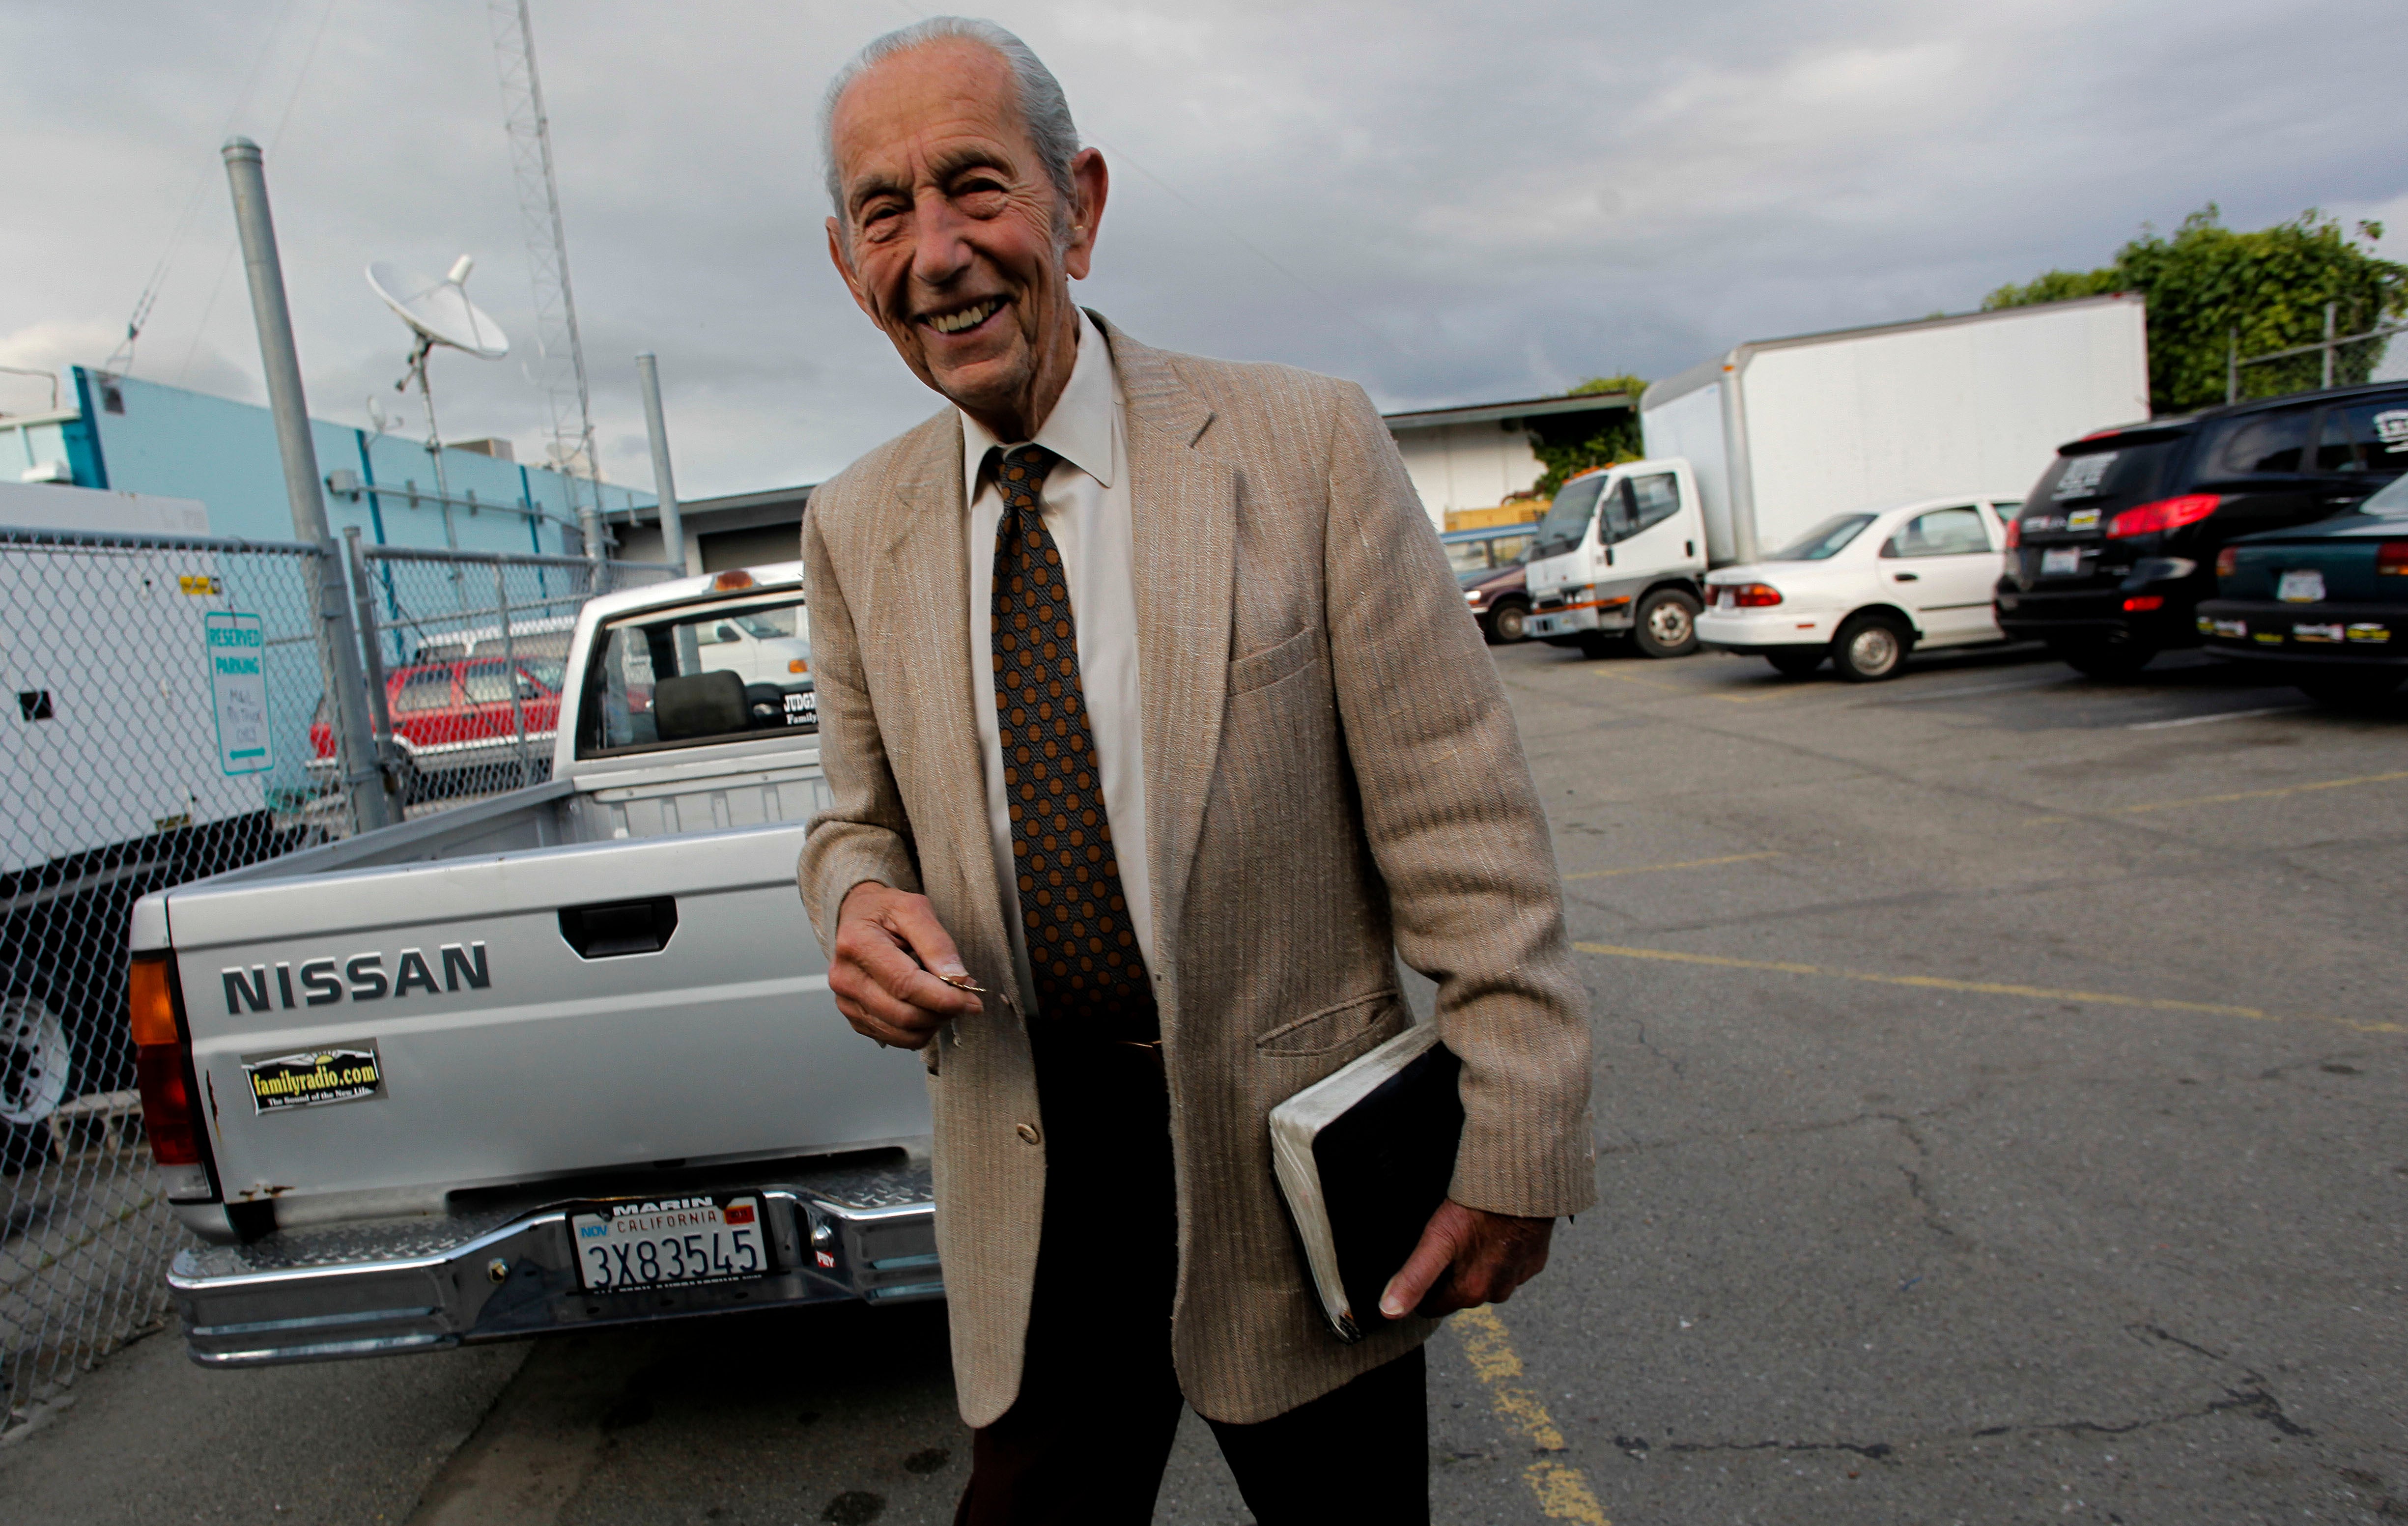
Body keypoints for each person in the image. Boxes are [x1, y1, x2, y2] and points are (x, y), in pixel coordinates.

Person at [797, 18, 1594, 1524]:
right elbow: (856, 822)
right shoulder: (852, 527)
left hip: (1297, 1171)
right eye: (886, 213)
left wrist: (1520, 1134)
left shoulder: (1306, 450)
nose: (940, 252)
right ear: (849, 264)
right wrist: (854, 905)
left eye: (978, 188)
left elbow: (1463, 823)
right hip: (1031, 1178)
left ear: (1079, 206)